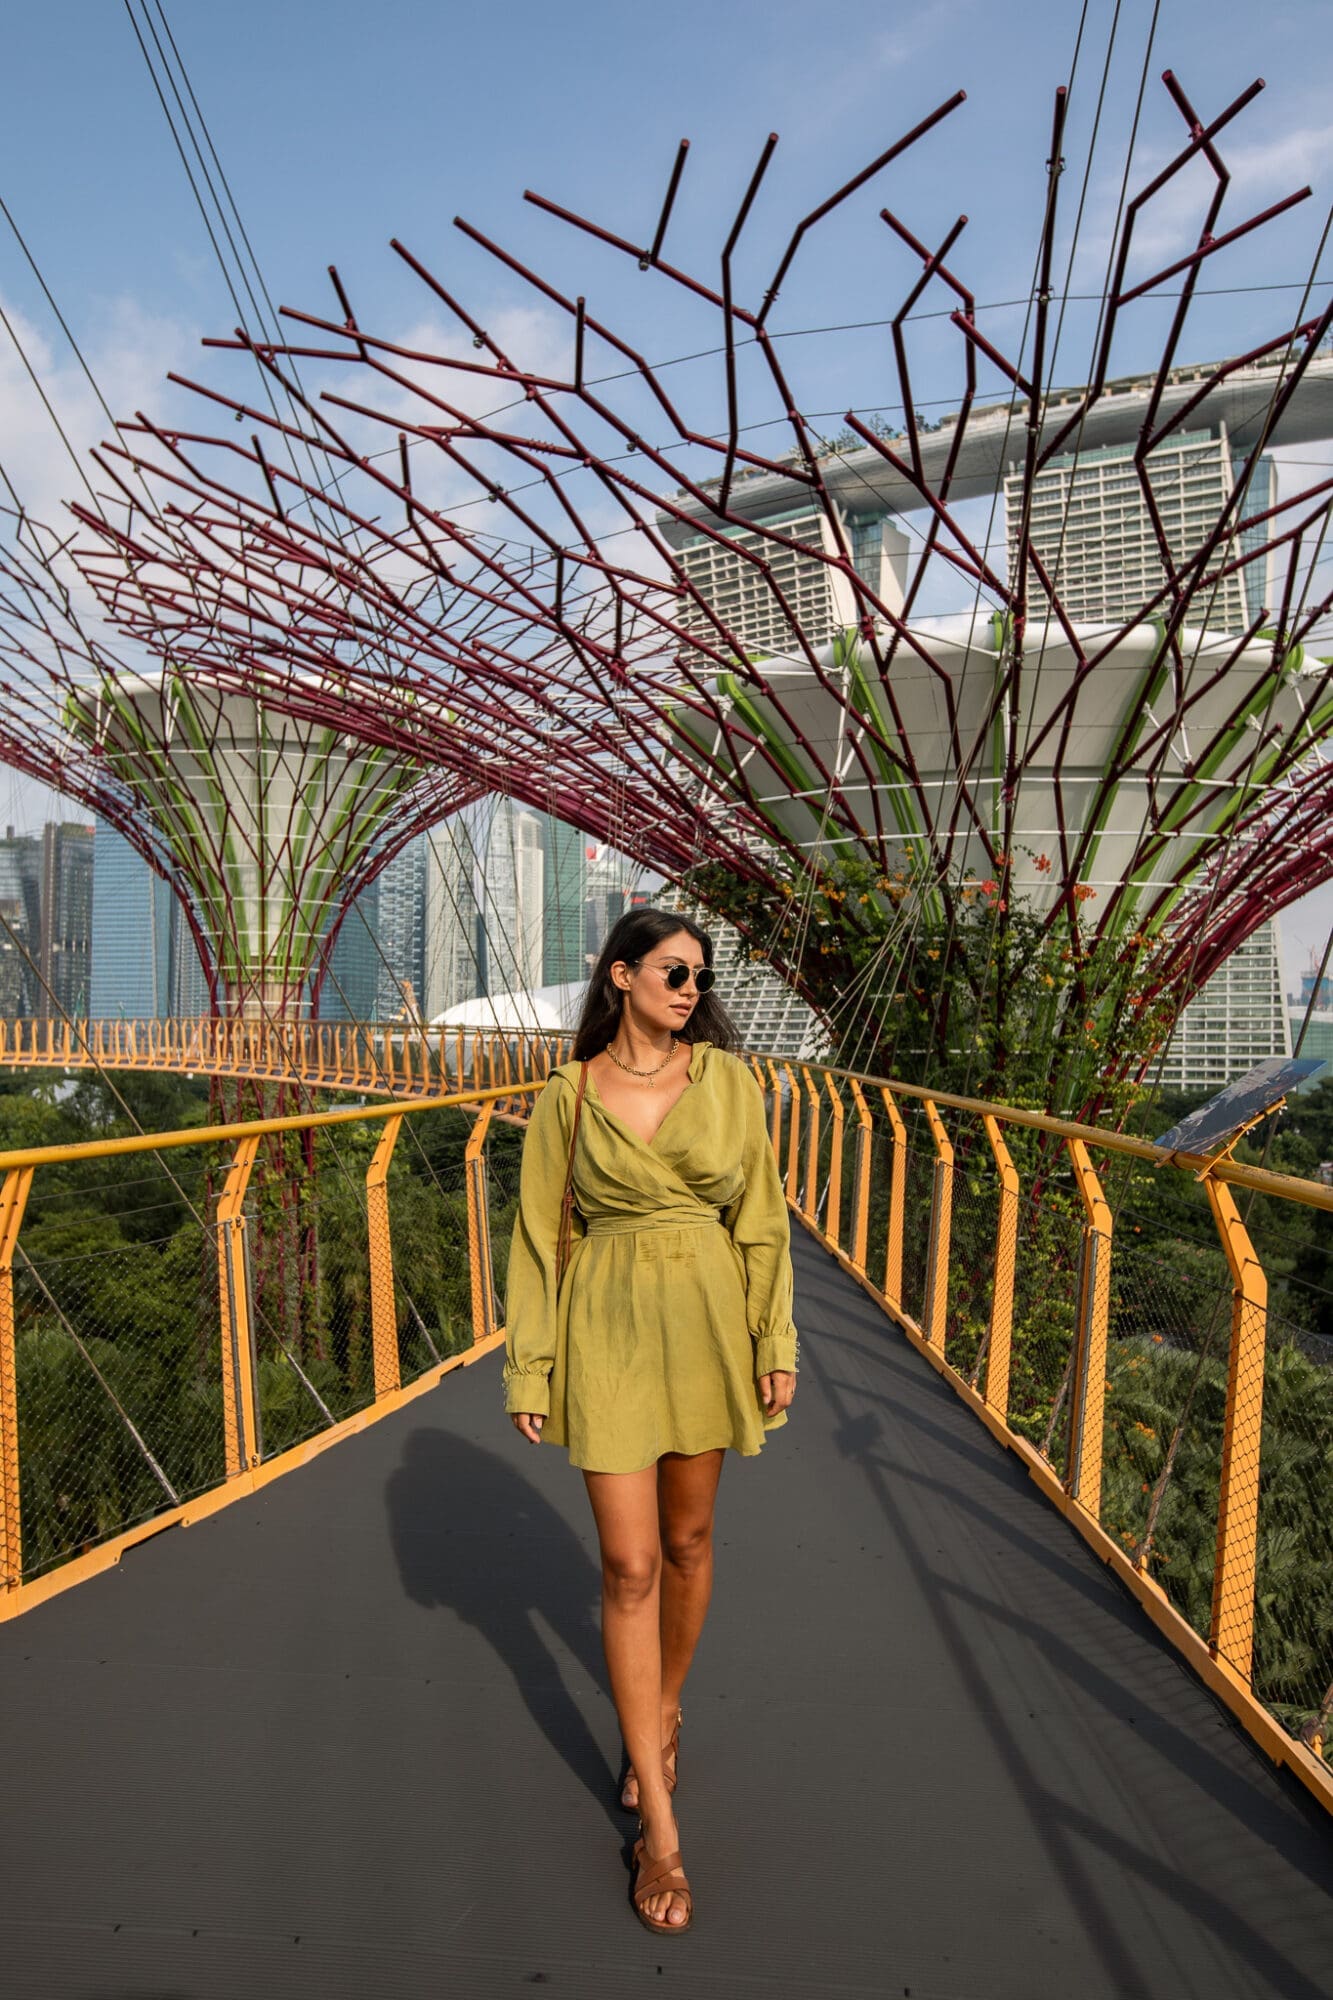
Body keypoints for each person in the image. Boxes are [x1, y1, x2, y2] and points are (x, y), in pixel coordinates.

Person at [503, 906, 799, 1935]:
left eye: (697, 976)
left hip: (709, 1315)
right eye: (672, 970)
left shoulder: (727, 1083)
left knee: (688, 1538)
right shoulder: (567, 1099)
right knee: (628, 1563)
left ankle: (664, 1706)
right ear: (620, 975)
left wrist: (774, 1341)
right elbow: (541, 1236)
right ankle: (660, 1830)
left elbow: (760, 1218)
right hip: (612, 1325)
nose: (689, 987)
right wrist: (529, 1364)